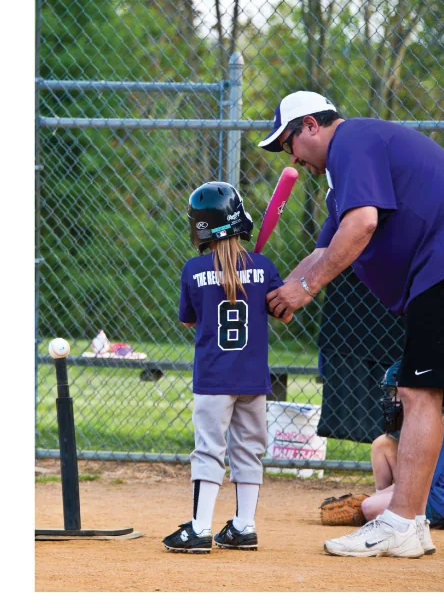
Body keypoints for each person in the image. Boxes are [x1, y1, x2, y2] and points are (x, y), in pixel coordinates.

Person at [261, 90, 444, 557]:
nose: (292, 157)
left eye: (288, 143)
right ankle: (414, 523)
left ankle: (401, 521)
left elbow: (362, 225)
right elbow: (325, 251)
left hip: (439, 267)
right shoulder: (343, 179)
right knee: (421, 392)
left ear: (310, 126)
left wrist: (308, 287)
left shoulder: (352, 141)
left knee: (419, 393)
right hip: (433, 272)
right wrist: (283, 290)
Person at [163, 182, 289, 554]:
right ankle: (243, 526)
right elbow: (285, 312)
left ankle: (200, 529)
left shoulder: (193, 269)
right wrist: (257, 281)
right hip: (253, 379)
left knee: (209, 450)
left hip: (214, 379)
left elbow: (189, 320)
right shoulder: (263, 266)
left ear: (201, 227)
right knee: (249, 449)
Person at [320, 361, 442, 556]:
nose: (390, 400)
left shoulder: (433, 430)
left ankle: (395, 523)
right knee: (382, 443)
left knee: (368, 507)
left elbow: (425, 481)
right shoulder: (420, 428)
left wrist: (374, 502)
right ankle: (414, 526)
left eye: (396, 394)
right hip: (427, 494)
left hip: (437, 500)